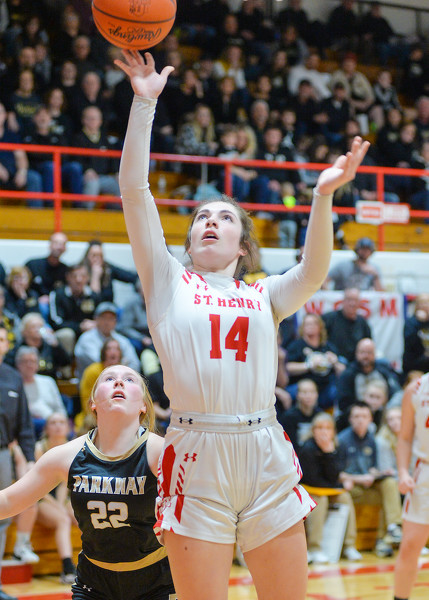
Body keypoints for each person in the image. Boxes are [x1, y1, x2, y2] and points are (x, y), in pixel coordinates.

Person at [114, 49, 369, 600]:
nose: (211, 220)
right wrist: (143, 104)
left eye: (225, 216)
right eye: (202, 216)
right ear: (188, 242)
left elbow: (313, 271)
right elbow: (134, 190)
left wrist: (323, 196)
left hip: (264, 446)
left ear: (243, 246)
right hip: (195, 450)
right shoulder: (168, 280)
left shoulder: (262, 293)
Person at [0, 364, 176, 600]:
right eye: (109, 378)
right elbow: (9, 501)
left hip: (155, 582)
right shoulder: (66, 455)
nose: (119, 382)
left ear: (144, 405)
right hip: (93, 583)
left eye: (130, 380)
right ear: (93, 402)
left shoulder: (162, 453)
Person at [337, 401, 403, 559]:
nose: (360, 420)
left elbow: (372, 468)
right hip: (351, 487)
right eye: (356, 416)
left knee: (389, 483)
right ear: (350, 419)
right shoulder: (342, 440)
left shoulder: (372, 440)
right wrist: (359, 478)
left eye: (364, 416)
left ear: (370, 419)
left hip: (368, 485)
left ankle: (392, 530)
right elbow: (337, 474)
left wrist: (379, 473)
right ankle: (353, 545)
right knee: (350, 494)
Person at [0, 323, 35, 600]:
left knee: (1, 518)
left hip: (3, 454)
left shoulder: (13, 377)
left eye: (1, 339)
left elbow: (24, 423)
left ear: (7, 344)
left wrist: (30, 458)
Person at [299, 412, 361, 564]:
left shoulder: (337, 447)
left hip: (328, 489)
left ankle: (349, 546)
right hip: (309, 489)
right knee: (319, 501)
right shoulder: (307, 448)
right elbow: (313, 480)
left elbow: (335, 475)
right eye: (319, 428)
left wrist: (329, 453)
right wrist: (339, 485)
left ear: (333, 431)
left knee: (345, 497)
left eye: (328, 428)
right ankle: (315, 548)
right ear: (313, 430)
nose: (324, 431)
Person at [394, 373, 429, 600]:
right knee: (409, 547)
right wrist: (403, 472)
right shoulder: (416, 389)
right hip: (424, 472)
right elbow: (405, 437)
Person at [74, 302, 140, 379]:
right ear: (96, 319)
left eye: (111, 318)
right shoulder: (86, 338)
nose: (107, 322)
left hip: (119, 381)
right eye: (104, 318)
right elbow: (102, 363)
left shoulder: (122, 340)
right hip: (92, 381)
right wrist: (124, 363)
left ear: (115, 322)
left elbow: (135, 364)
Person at [15, 345, 67, 439]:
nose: (29, 365)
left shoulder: (48, 381)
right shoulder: (14, 385)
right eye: (25, 361)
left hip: (51, 424)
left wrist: (61, 422)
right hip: (28, 426)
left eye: (33, 361)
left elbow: (60, 409)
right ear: (18, 364)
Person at [322, 287, 372, 363]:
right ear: (343, 301)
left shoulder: (362, 322)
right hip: (333, 361)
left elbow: (368, 343)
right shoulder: (329, 319)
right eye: (349, 300)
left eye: (355, 300)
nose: (352, 304)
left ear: (359, 303)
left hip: (356, 363)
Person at [80, 239, 138, 304]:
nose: (97, 259)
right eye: (94, 256)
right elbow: (93, 301)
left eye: (100, 256)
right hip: (88, 307)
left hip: (108, 307)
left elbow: (131, 277)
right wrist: (95, 278)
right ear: (87, 256)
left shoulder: (108, 268)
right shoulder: (80, 270)